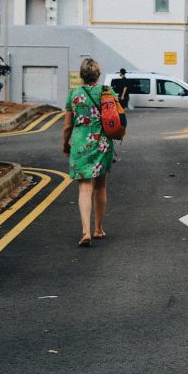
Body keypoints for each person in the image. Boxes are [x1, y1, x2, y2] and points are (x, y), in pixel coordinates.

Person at [62, 57, 115, 247]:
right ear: (98, 74)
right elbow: (117, 116)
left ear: (81, 75)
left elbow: (67, 125)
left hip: (80, 143)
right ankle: (98, 229)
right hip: (102, 143)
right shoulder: (106, 92)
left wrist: (65, 144)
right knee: (100, 187)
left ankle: (86, 232)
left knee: (84, 188)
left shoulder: (73, 94)